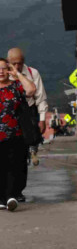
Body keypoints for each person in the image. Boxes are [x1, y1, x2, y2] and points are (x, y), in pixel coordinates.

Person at [0, 57, 37, 211]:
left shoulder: (15, 86)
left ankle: (11, 197)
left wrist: (18, 74)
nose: (1, 71)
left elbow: (31, 90)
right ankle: (1, 198)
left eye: (4, 68)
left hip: (15, 134)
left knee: (14, 167)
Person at [7, 48, 47, 175]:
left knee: (24, 152)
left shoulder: (32, 73)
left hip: (28, 113)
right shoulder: (3, 74)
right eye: (14, 63)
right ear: (8, 62)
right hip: (9, 116)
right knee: (10, 153)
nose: (17, 66)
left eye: (20, 63)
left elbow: (40, 97)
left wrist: (42, 119)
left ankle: (32, 151)